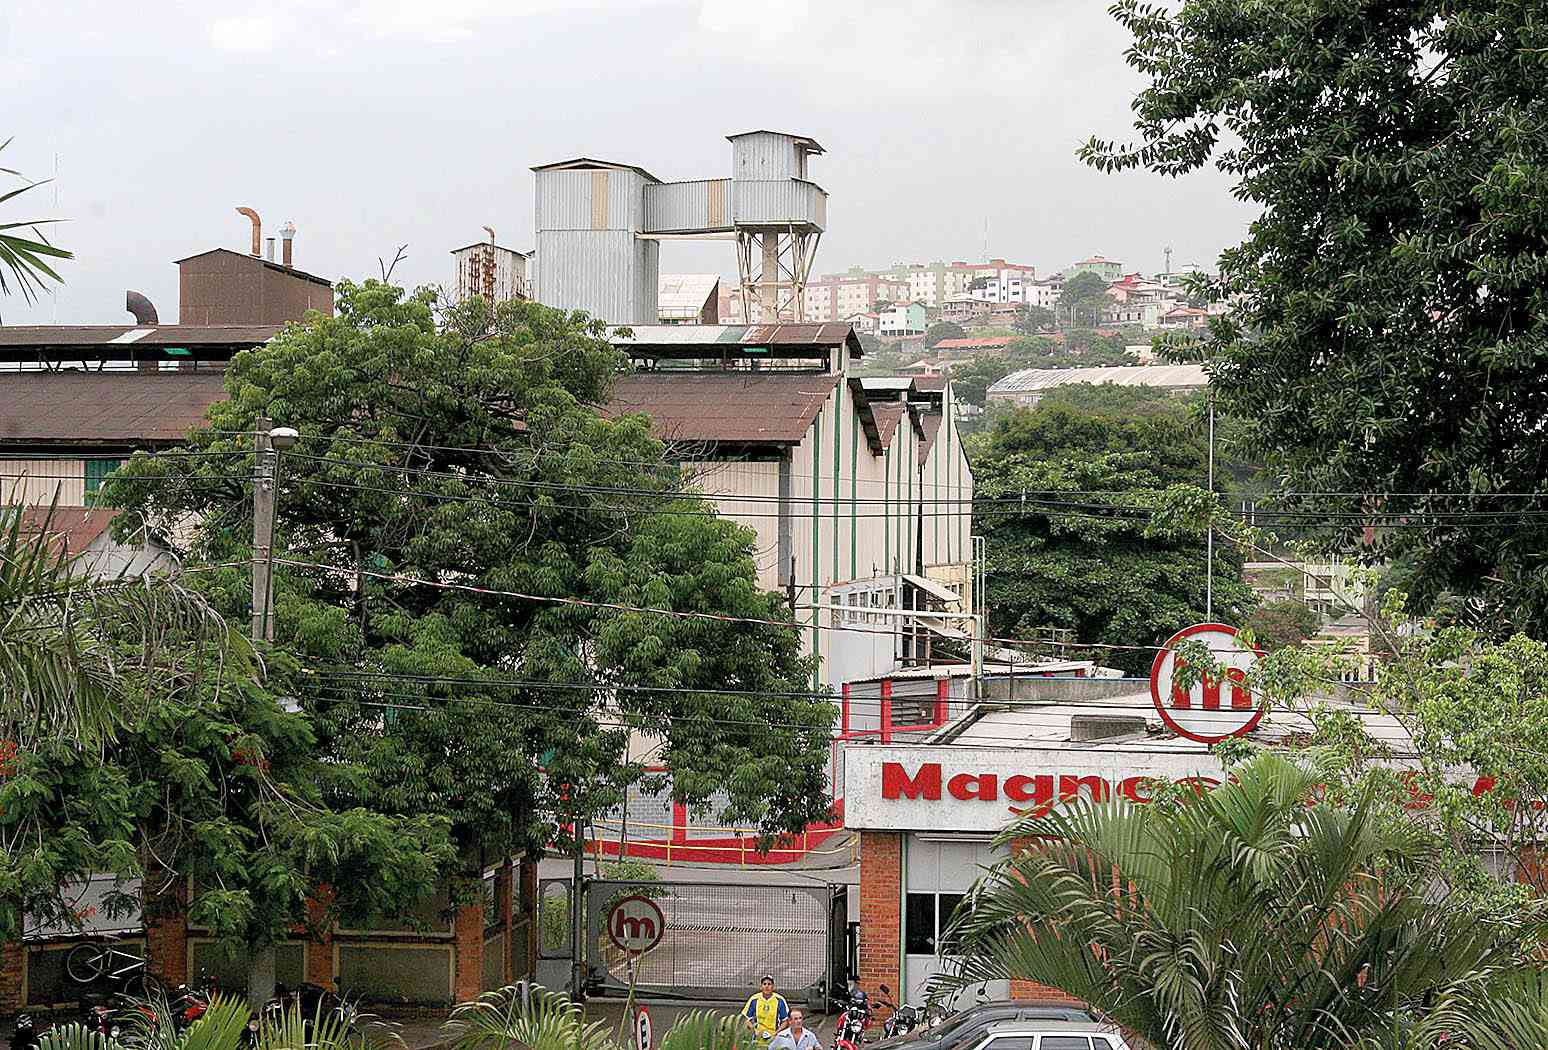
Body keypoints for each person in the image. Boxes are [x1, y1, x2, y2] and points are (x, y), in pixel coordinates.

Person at [743, 975, 790, 1040]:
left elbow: (785, 1021)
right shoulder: (754, 999)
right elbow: (746, 1019)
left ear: (773, 987)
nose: (767, 986)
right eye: (764, 984)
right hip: (757, 1036)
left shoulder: (780, 1000)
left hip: (775, 1035)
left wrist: (776, 1033)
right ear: (761, 987)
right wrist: (755, 1031)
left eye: (769, 984)